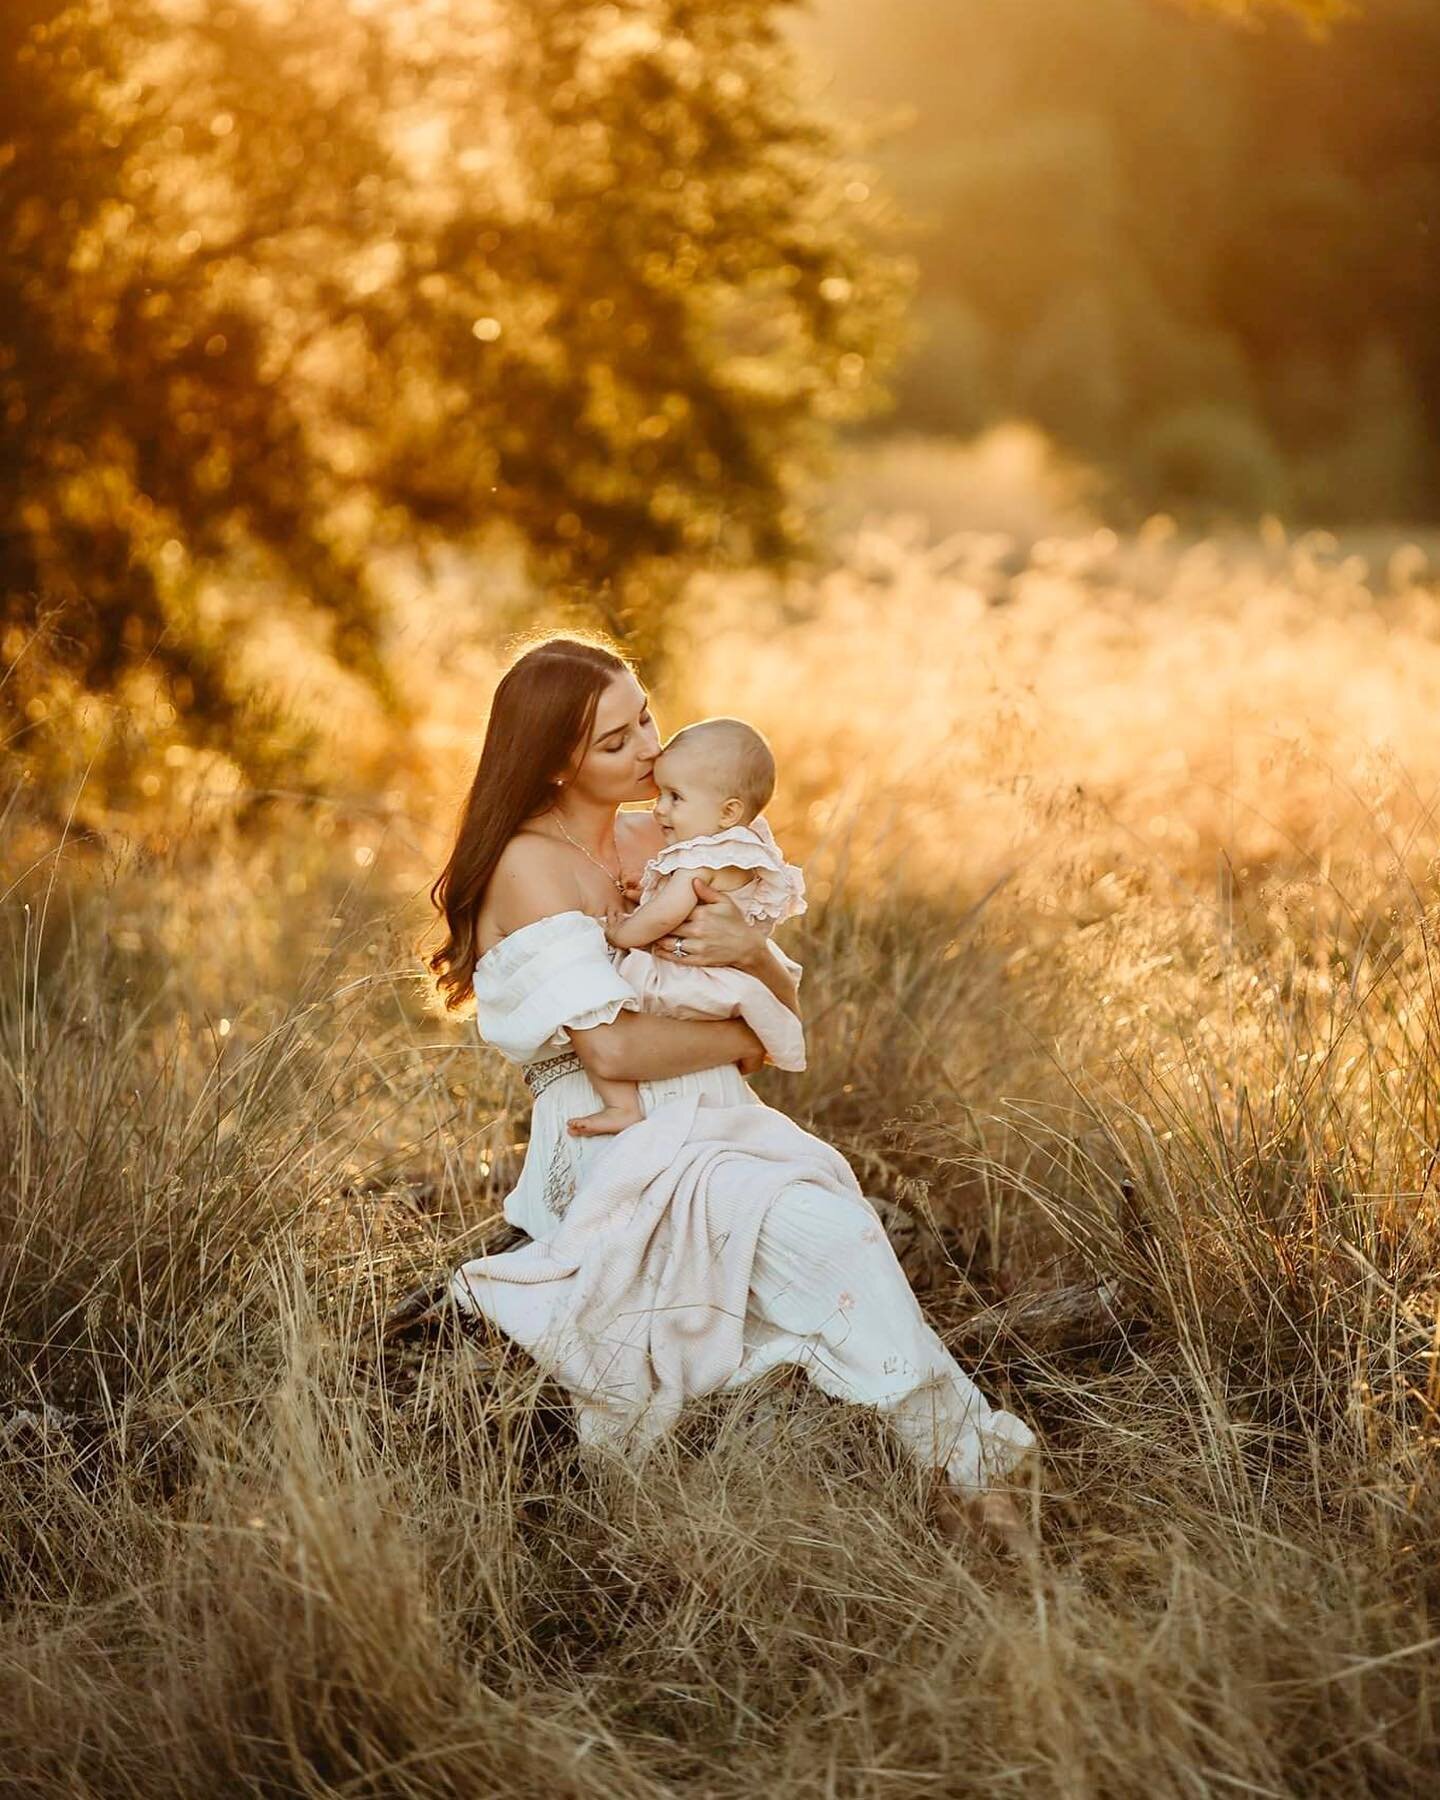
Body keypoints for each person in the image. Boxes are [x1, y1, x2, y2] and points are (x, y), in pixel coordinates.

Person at [426, 635, 1039, 1555]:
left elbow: (784, 994)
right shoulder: (529, 866)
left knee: (841, 1237)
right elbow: (618, 1049)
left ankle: (974, 1484)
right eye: (618, 740)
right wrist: (750, 1036)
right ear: (556, 759)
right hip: (616, 1136)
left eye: (648, 717)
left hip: (725, 1119)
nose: (652, 749)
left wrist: (751, 960)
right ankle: (978, 1477)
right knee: (829, 1240)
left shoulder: (674, 834)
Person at [568, 714, 808, 1139]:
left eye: (675, 797)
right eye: (662, 795)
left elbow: (665, 915)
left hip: (694, 976)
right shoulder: (735, 846)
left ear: (727, 811)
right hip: (724, 978)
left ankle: (623, 1105)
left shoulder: (700, 857)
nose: (660, 809)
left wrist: (621, 932)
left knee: (605, 997)